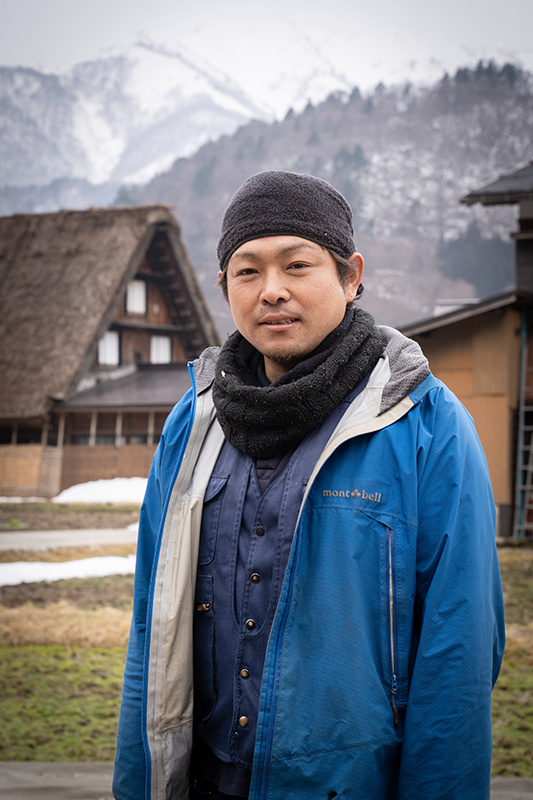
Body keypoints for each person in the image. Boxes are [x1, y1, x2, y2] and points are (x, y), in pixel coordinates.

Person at [113, 171, 505, 800]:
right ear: (224, 287)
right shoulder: (193, 421)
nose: (272, 291)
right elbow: (150, 626)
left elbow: (457, 654)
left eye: (297, 265)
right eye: (248, 271)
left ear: (350, 277)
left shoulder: (425, 426)